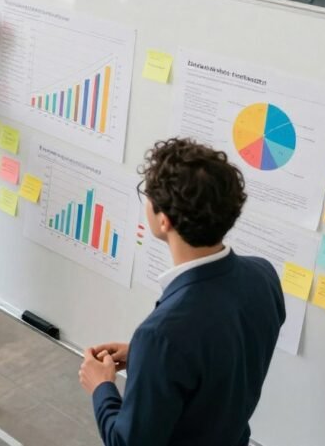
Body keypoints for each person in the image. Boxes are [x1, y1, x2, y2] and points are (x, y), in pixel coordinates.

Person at [78, 138, 285, 446]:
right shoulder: (263, 276)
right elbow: (221, 358)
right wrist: (145, 359)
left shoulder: (161, 336)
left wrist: (101, 387)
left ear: (164, 221)